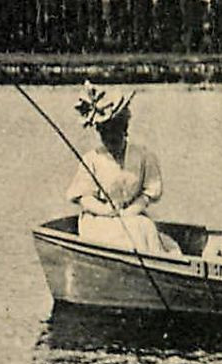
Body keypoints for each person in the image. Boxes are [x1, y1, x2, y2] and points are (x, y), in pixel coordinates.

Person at [66, 82, 178, 255]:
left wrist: (130, 211)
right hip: (98, 220)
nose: (110, 137)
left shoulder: (143, 156)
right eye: (104, 132)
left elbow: (148, 194)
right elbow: (83, 197)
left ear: (124, 128)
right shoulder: (91, 160)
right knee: (127, 234)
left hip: (132, 215)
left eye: (115, 130)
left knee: (144, 227)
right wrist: (105, 210)